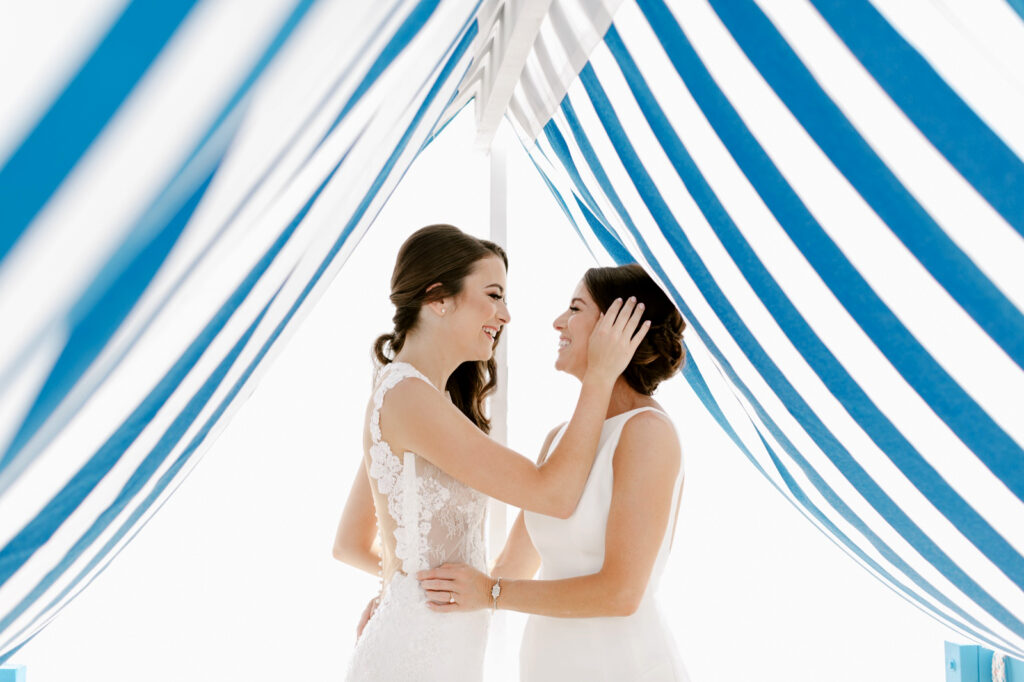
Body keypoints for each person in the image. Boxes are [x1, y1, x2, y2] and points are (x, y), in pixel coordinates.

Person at [333, 225, 649, 682]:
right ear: (439, 298)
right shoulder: (408, 397)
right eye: (494, 295)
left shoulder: (411, 397)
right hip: (416, 661)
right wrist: (599, 377)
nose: (505, 315)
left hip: (436, 651)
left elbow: (350, 542)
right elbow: (554, 495)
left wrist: (402, 588)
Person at [417, 263, 691, 681]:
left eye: (575, 309)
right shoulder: (559, 439)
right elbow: (510, 565)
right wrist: (411, 603)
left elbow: (621, 593)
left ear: (617, 328)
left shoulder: (646, 434)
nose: (558, 322)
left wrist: (492, 594)